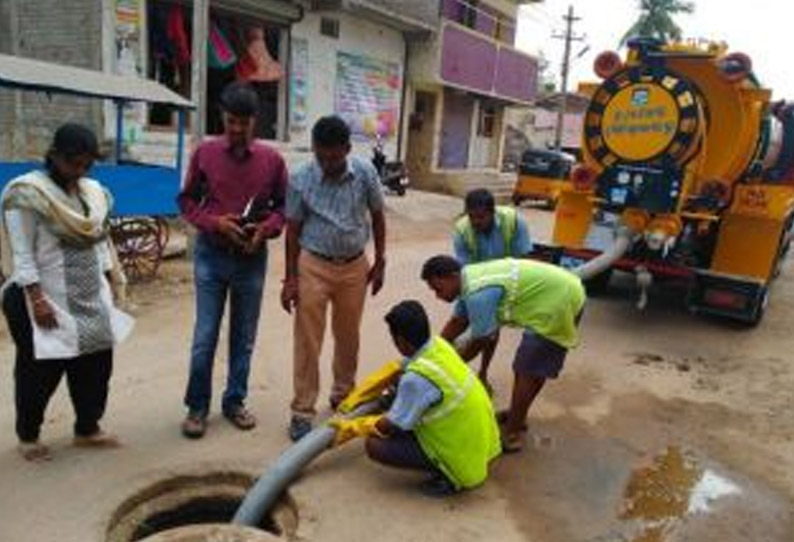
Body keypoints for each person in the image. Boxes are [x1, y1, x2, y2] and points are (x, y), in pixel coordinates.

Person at [0, 123, 133, 461]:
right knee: (39, 371)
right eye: (73, 163)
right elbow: (23, 253)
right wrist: (37, 299)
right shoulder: (28, 194)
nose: (79, 171)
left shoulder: (91, 192)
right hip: (41, 298)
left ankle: (87, 428)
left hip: (88, 296)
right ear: (55, 156)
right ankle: (29, 437)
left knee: (96, 364)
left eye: (87, 164)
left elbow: (99, 242)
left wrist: (110, 282)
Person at [178, 82, 287, 438]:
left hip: (251, 259)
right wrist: (216, 223)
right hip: (211, 256)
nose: (237, 129)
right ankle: (197, 407)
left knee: (244, 337)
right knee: (204, 335)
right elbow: (187, 202)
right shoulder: (204, 154)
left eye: (244, 122)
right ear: (222, 117)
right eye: (231, 121)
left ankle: (234, 401)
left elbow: (284, 209)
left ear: (255, 121)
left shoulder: (272, 161)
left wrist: (266, 229)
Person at [281, 115, 386, 442]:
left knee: (348, 335)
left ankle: (343, 396)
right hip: (313, 264)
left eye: (334, 157)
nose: (327, 164)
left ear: (347, 149)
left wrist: (381, 259)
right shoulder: (301, 178)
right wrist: (290, 278)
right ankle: (302, 410)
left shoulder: (366, 173)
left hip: (355, 267)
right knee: (308, 340)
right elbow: (293, 229)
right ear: (313, 148)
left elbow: (378, 215)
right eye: (321, 156)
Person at [330, 301, 501, 496]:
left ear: (401, 340)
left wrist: (353, 427)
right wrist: (356, 398)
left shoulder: (416, 379)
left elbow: (391, 425)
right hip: (481, 440)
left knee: (374, 445)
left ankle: (448, 476)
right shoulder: (438, 345)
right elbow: (397, 368)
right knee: (403, 396)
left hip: (460, 454)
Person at [421, 255, 585, 453]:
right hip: (559, 292)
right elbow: (457, 322)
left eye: (438, 289)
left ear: (453, 276)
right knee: (529, 367)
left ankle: (513, 432)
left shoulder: (477, 293)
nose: (437, 296)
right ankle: (519, 416)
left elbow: (483, 339)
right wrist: (430, 353)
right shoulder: (469, 282)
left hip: (559, 300)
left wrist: (451, 363)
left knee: (527, 369)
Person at [452, 188, 533, 390]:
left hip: (506, 284)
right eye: (471, 217)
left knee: (490, 334)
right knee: (457, 321)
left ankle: (482, 373)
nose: (476, 222)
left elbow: (522, 262)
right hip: (474, 282)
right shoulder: (462, 231)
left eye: (481, 217)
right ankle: (439, 362)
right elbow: (464, 270)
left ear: (492, 212)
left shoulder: (514, 223)